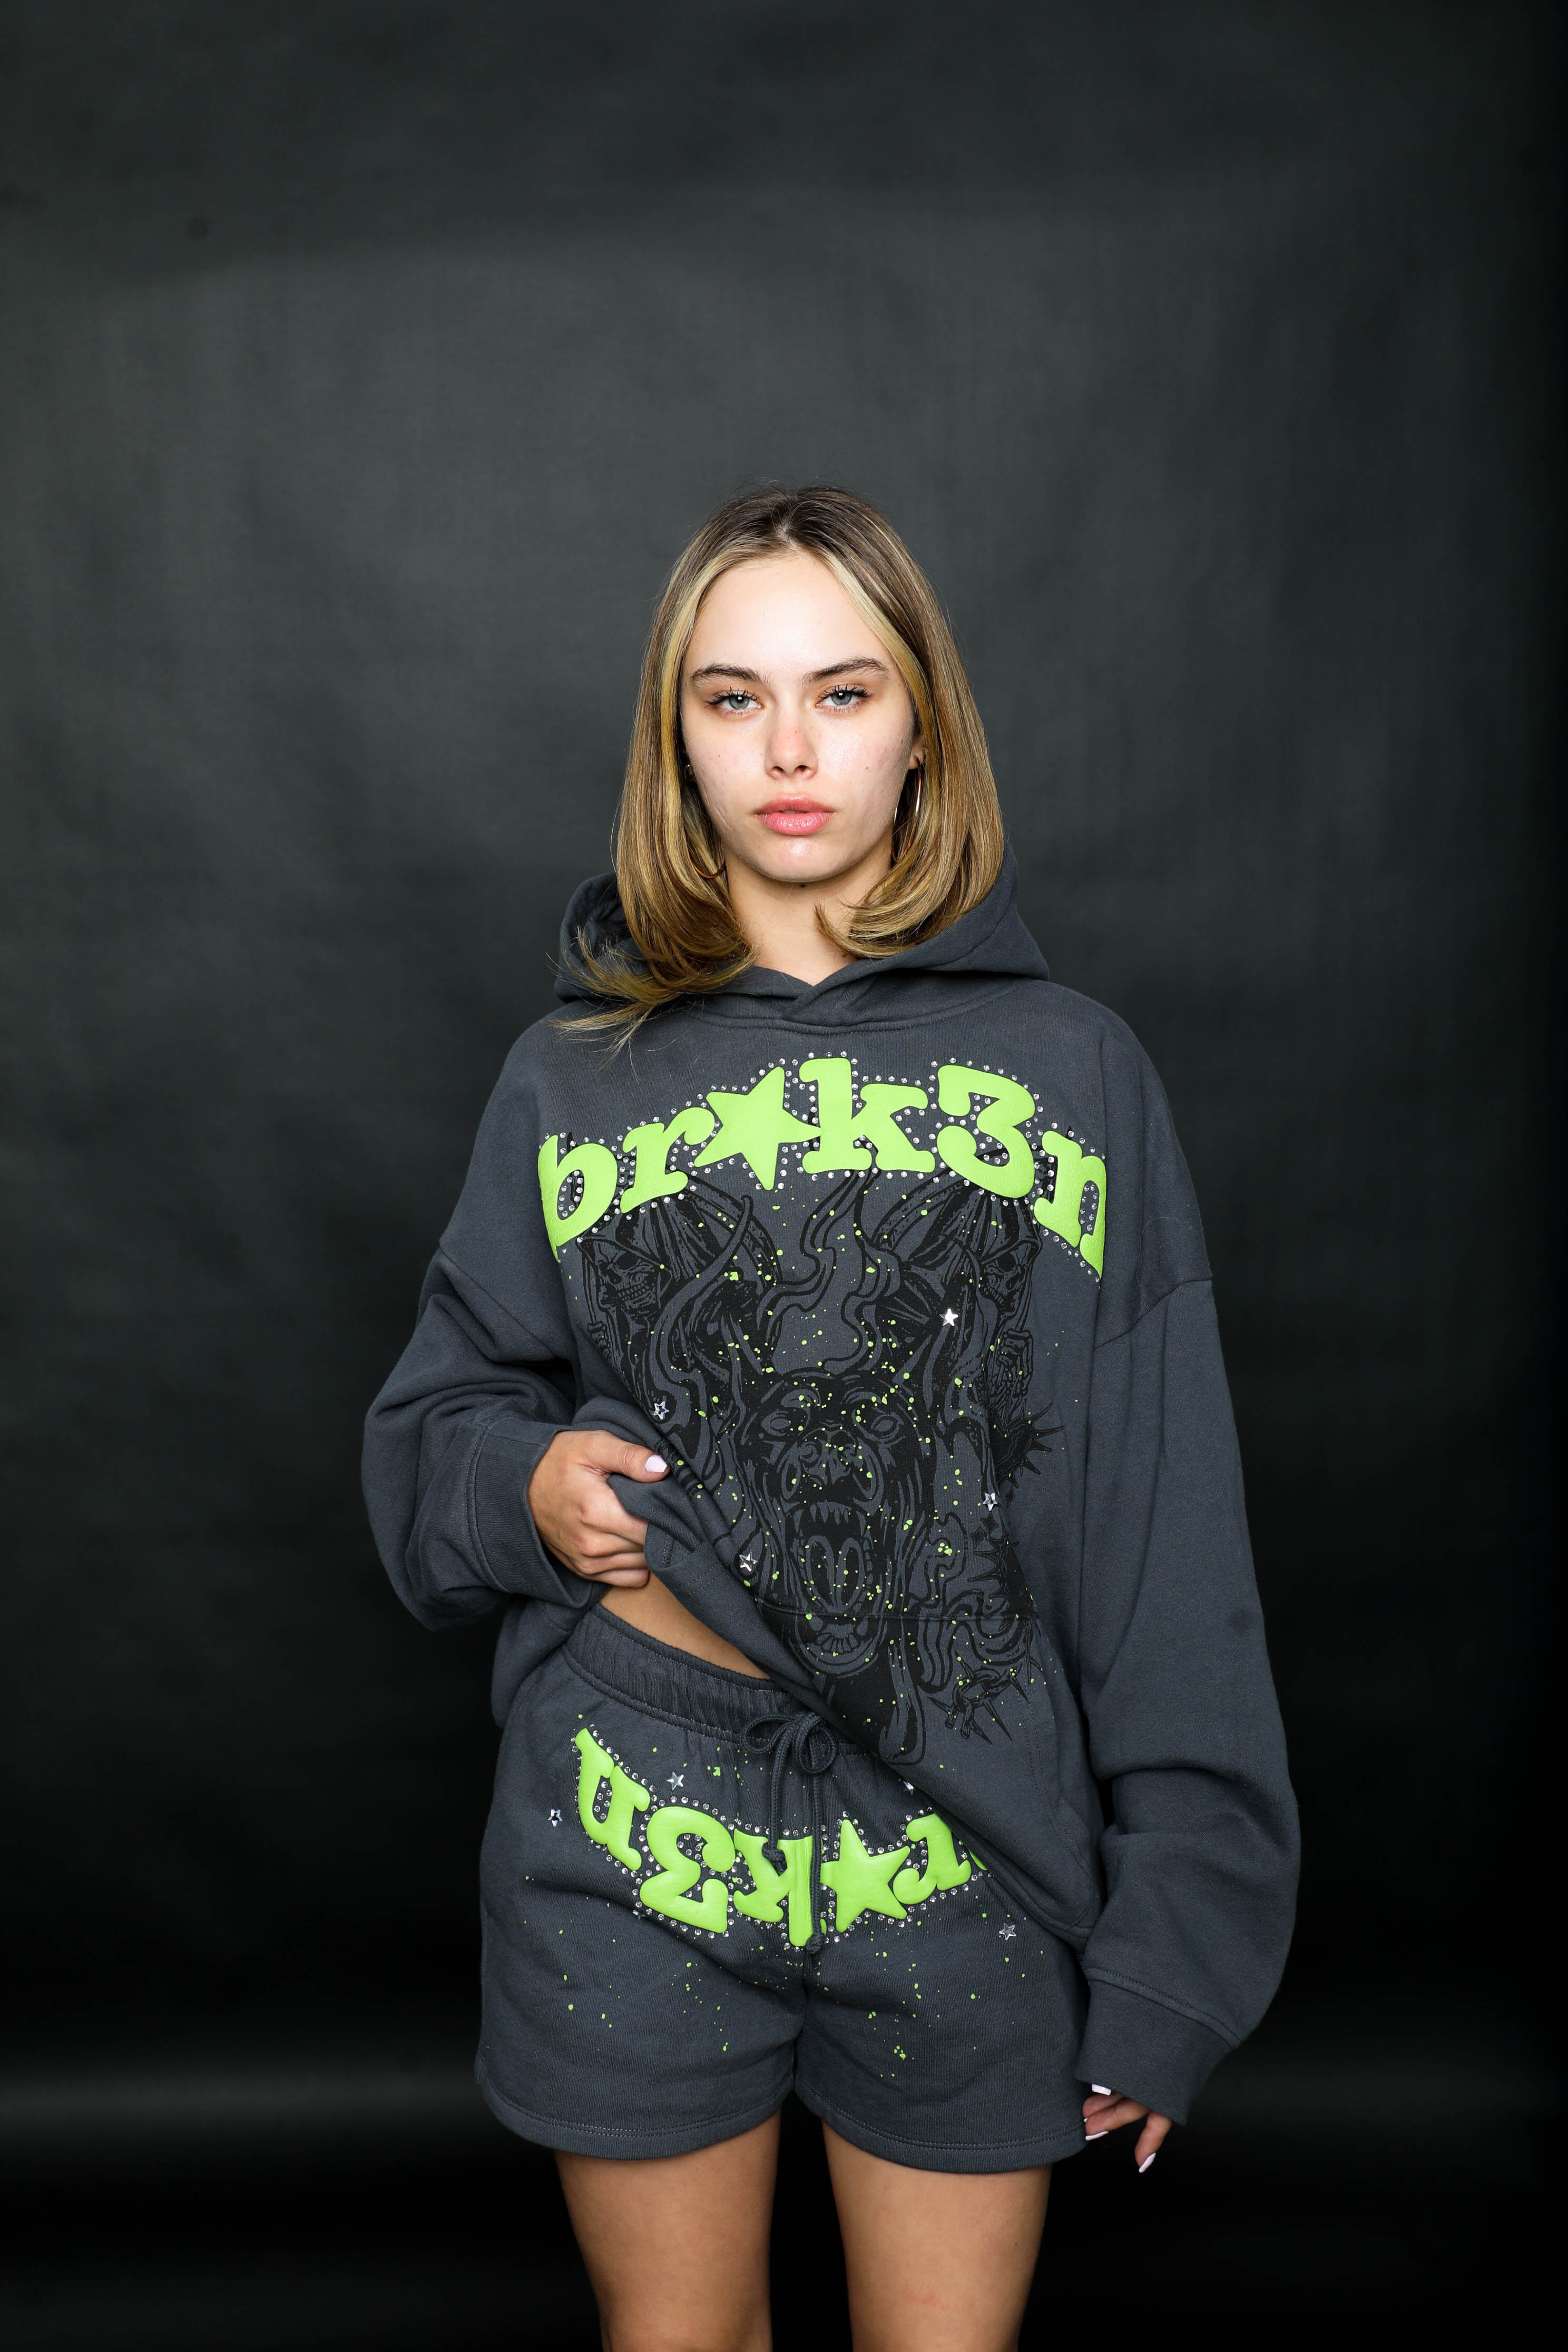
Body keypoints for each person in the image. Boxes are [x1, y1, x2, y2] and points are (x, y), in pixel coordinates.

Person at [362, 485, 1298, 2352]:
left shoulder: (1077, 1068)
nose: (789, 751)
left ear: (921, 726)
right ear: (678, 738)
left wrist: (1178, 1946)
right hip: (631, 1828)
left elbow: (1166, 1522)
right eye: (734, 699)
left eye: (842, 693)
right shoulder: (571, 1075)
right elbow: (432, 1427)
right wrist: (525, 1485)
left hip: (964, 1850)